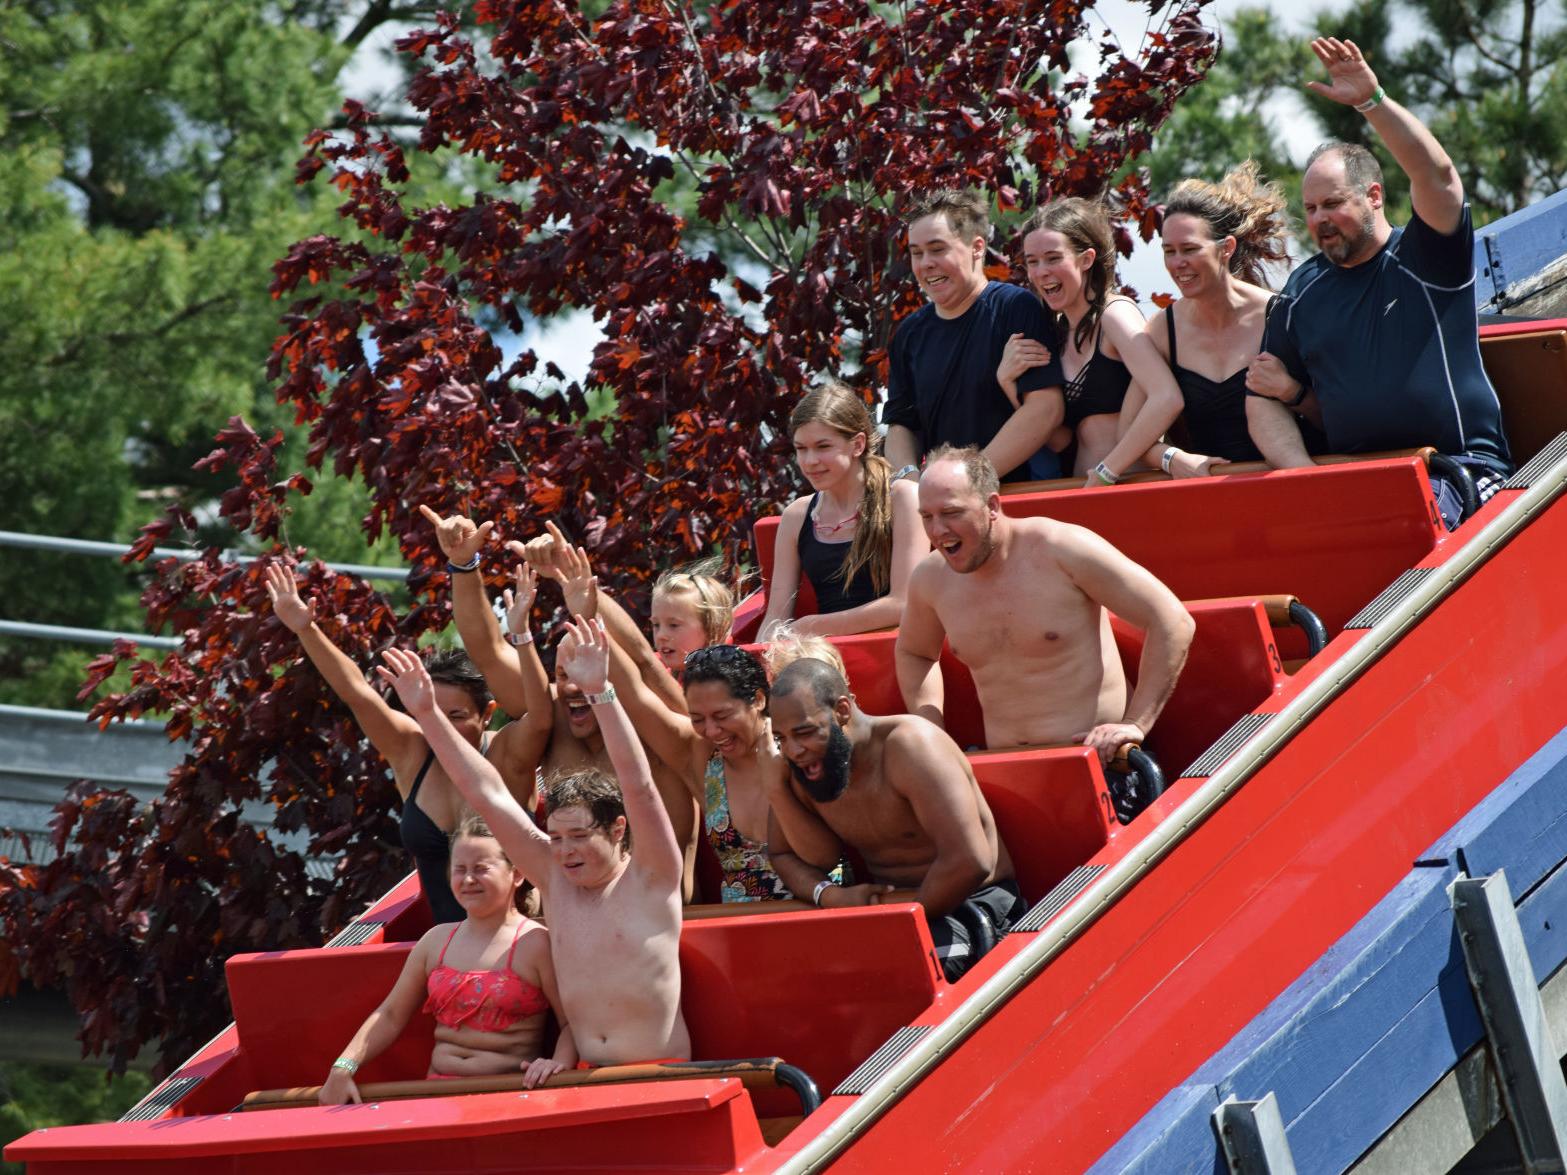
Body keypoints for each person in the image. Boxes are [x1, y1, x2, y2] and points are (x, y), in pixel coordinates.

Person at [377, 617, 692, 1067]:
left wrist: (601, 691)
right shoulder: (553, 876)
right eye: (557, 837)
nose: (565, 851)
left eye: (580, 837)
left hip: (661, 1074)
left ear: (618, 830)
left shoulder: (653, 873)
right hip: (586, 1079)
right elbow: (485, 792)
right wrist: (427, 716)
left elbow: (637, 785)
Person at [1247, 36, 1512, 525]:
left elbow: (1438, 176)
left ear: (1372, 196)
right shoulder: (1301, 291)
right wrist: (1307, 476)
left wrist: (1372, 102)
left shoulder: (1426, 255)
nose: (1319, 219)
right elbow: (1261, 397)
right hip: (1355, 481)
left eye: (1332, 204)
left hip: (1460, 472)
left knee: (1403, 527)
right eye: (1309, 209)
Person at [894, 446, 1194, 819]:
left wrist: (1135, 724)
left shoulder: (1061, 548)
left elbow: (1172, 619)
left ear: (991, 505)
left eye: (952, 513)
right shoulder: (930, 578)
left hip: (1104, 769)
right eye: (927, 517)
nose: (938, 531)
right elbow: (915, 653)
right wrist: (932, 735)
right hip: (1004, 779)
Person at [424, 509, 703, 901]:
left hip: (659, 922)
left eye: (584, 669)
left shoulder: (655, 721)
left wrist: (575, 585)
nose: (573, 687)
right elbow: (488, 654)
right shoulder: (551, 715)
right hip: (575, 925)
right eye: (561, 675)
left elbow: (643, 663)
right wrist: (462, 564)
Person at [262, 561, 540, 924]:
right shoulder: (413, 748)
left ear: (487, 714)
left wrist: (519, 634)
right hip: (448, 945)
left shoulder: (507, 752)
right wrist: (306, 628)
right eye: (429, 712)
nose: (441, 727)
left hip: (523, 940)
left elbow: (542, 715)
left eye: (455, 717)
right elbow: (359, 695)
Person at [766, 657, 1023, 982]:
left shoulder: (911, 746)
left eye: (804, 732)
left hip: (977, 906)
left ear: (842, 711)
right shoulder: (803, 769)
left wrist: (898, 926)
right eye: (781, 739)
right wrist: (830, 896)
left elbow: (970, 860)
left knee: (892, 973)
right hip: (891, 913)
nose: (793, 750)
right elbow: (781, 854)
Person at [318, 816, 575, 1103]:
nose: (468, 879)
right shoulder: (435, 941)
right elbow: (389, 1015)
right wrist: (343, 1067)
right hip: (436, 1096)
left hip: (508, 1098)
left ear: (516, 874)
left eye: (481, 869)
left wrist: (557, 1064)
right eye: (459, 869)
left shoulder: (537, 943)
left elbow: (572, 1022)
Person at [884, 189, 1068, 483]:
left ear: (977, 247)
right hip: (944, 512)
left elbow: (1046, 409)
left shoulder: (1015, 308)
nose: (925, 263)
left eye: (937, 249)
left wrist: (969, 482)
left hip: (1016, 503)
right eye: (916, 253)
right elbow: (900, 425)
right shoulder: (909, 333)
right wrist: (909, 477)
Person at [1150, 162, 1321, 466]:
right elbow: (1130, 434)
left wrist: (1292, 392)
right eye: (1169, 251)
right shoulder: (1162, 330)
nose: (1178, 263)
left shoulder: (1281, 314)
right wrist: (1171, 458)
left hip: (1290, 489)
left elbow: (1340, 418)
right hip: (1208, 495)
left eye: (1189, 249)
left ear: (1226, 247)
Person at [1009, 199, 1189, 486]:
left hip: (1130, 488)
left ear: (1086, 259)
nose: (1041, 271)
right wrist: (1008, 382)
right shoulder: (1057, 332)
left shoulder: (1115, 315)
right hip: (1082, 491)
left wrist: (1108, 471)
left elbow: (1167, 397)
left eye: (1053, 258)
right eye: (1032, 261)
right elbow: (1058, 441)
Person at [759, 382, 928, 638]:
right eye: (801, 449)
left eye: (823, 447)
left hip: (897, 647)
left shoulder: (903, 497)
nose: (810, 461)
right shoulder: (796, 516)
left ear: (858, 444)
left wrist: (811, 627)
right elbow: (775, 619)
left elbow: (904, 604)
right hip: (821, 661)